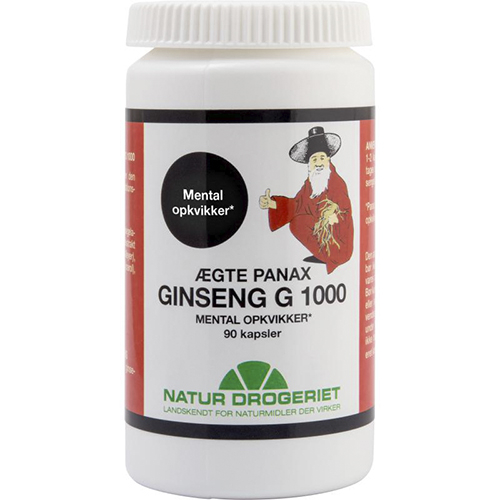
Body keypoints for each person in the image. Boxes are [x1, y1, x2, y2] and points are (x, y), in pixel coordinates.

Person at [259, 126, 353, 274]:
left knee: (301, 222)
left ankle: (331, 255)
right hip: (322, 236)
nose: (319, 163)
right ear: (310, 164)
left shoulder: (337, 182)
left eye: (322, 158)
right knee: (298, 223)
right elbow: (296, 205)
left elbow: (344, 207)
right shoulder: (310, 184)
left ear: (328, 160)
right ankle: (323, 254)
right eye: (314, 159)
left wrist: (334, 212)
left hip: (339, 242)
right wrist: (272, 203)